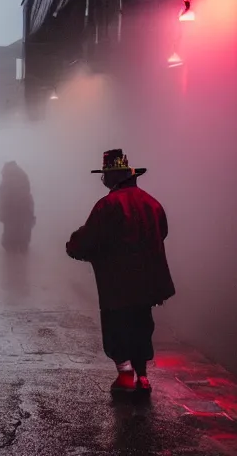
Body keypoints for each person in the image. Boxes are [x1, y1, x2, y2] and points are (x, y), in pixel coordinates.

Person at [66, 149, 175, 394]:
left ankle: (125, 376)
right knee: (141, 325)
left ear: (113, 177)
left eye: (105, 175)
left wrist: (73, 246)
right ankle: (143, 377)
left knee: (118, 327)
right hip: (147, 282)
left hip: (116, 284)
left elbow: (89, 238)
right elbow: (162, 232)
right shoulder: (152, 203)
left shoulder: (107, 206)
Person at [0, 161, 36, 253]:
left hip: (10, 209)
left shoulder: (6, 180)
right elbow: (28, 192)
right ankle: (23, 245)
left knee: (10, 228)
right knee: (23, 226)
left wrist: (1, 211)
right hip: (24, 207)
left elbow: (2, 197)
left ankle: (11, 249)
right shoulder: (23, 176)